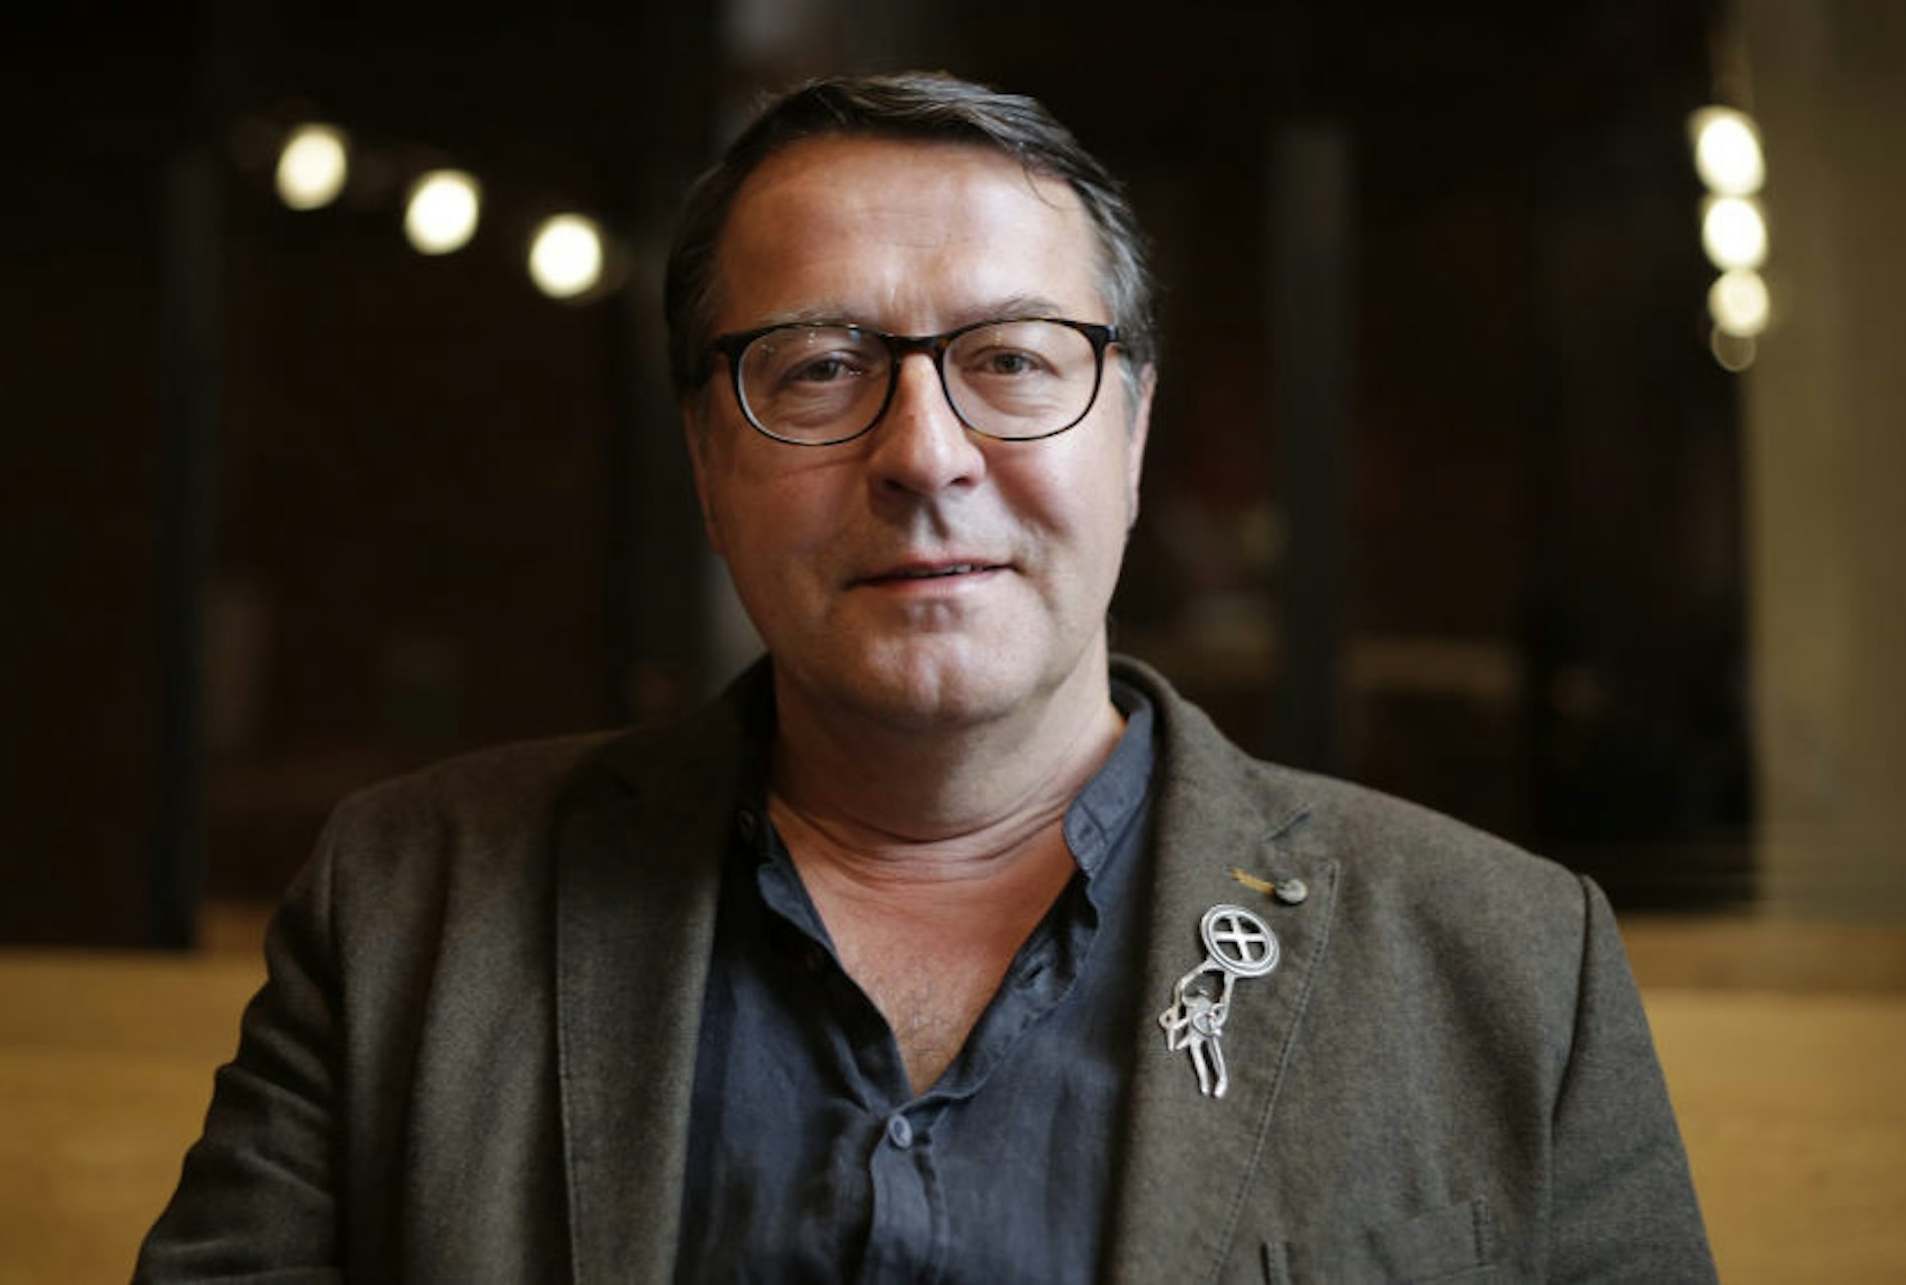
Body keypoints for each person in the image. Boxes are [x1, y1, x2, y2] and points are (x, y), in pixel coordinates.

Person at [136, 72, 1716, 1282]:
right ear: (705, 456)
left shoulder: (1510, 965)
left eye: (1013, 361)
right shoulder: (410, 908)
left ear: (1133, 430)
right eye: (821, 370)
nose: (925, 456)